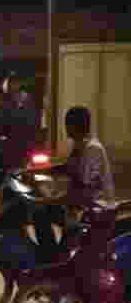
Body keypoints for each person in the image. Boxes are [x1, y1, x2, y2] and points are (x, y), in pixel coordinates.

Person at [33, 106, 115, 261]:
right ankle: (53, 257)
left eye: (67, 124)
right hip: (79, 208)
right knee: (40, 210)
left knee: (41, 210)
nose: (65, 128)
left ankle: (52, 259)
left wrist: (51, 200)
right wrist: (34, 172)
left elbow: (83, 191)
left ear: (74, 126)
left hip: (94, 211)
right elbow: (66, 167)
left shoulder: (92, 149)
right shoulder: (80, 145)